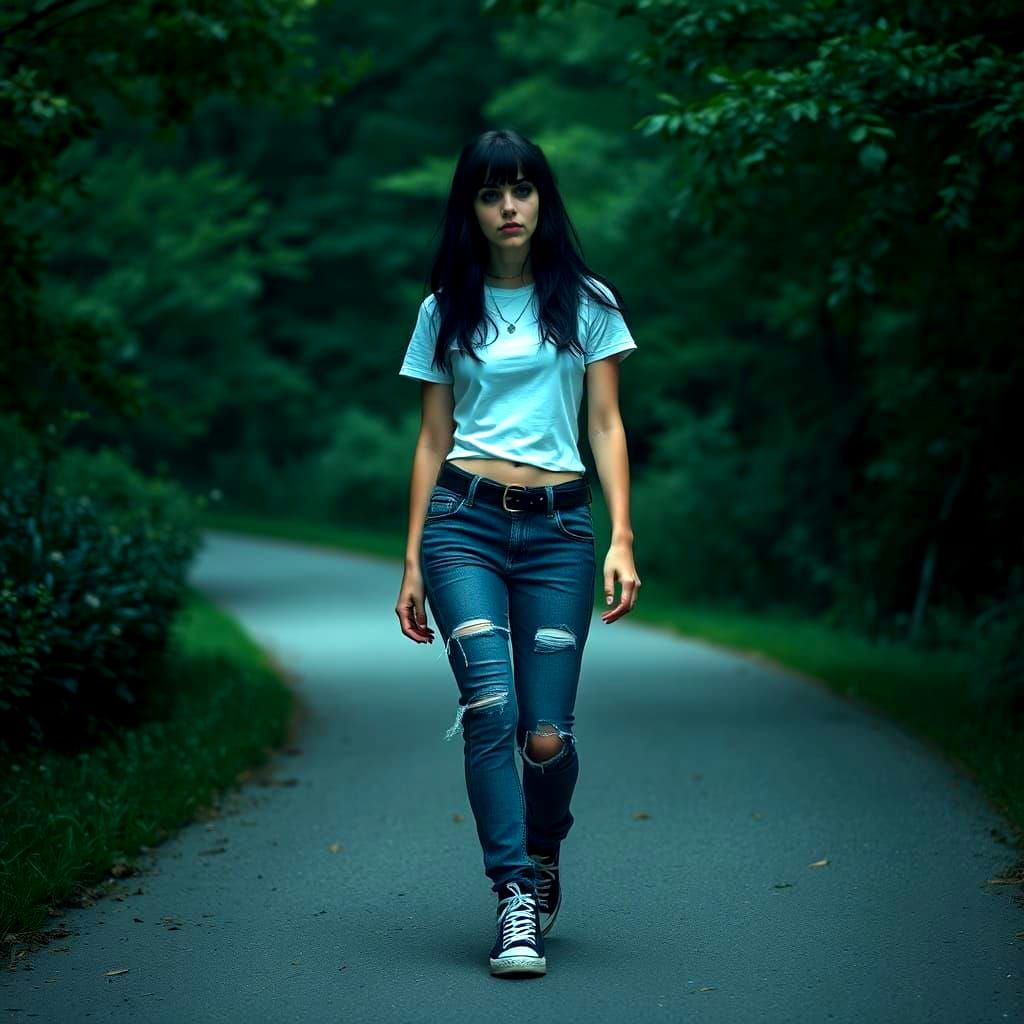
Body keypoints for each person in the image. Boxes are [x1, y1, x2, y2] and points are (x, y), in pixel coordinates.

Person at [394, 128, 641, 977]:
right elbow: (432, 439)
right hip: (461, 522)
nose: (509, 207)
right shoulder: (443, 309)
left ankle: (543, 847)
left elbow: (604, 423)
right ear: (470, 207)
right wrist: (412, 560)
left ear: (542, 199)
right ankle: (514, 896)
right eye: (492, 193)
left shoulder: (588, 302)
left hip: (560, 533)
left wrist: (622, 537)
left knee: (544, 738)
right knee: (490, 709)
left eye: (523, 190)